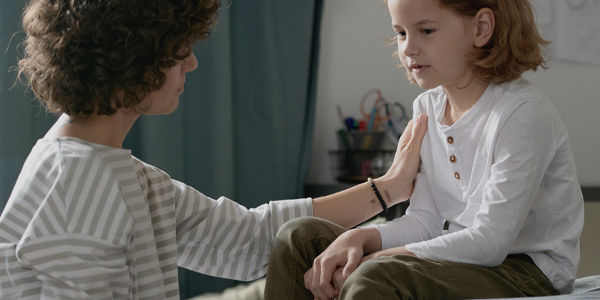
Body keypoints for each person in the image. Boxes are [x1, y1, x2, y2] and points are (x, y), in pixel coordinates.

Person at [0, 0, 428, 299]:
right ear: (133, 59)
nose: (191, 63)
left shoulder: (122, 175)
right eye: (178, 50)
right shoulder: (77, 181)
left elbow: (251, 236)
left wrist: (389, 189)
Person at [263, 0, 584, 299]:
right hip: (464, 258)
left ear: (481, 28)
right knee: (299, 237)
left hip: (527, 271)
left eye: (425, 31)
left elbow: (491, 242)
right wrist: (359, 238)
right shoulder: (426, 107)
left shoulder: (521, 112)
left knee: (374, 276)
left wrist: (375, 257)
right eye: (400, 33)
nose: (408, 47)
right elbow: (425, 222)